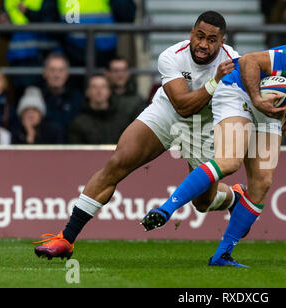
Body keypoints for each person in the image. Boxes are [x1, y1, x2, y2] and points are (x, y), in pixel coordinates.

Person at [141, 35, 286, 267]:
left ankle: (222, 255)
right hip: (238, 90)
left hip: (265, 102)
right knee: (229, 162)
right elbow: (249, 61)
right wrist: (256, 98)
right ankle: (165, 210)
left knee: (262, 183)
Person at [33, 11, 241, 260]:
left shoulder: (236, 63)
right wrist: (215, 82)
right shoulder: (172, 56)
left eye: (211, 39)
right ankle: (66, 239)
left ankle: (233, 196)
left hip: (204, 127)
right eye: (199, 36)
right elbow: (183, 107)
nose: (204, 44)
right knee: (117, 163)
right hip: (169, 113)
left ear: (222, 41)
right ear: (191, 34)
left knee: (203, 204)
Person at [67, 74, 142, 144]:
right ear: (87, 92)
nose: (99, 91)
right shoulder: (79, 123)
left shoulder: (122, 121)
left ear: (109, 92)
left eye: (103, 87)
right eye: (94, 87)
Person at [39, 53, 83, 143]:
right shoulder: (36, 98)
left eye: (61, 70)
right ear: (44, 73)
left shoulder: (77, 98)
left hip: (71, 150)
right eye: (52, 70)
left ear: (67, 74)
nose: (56, 75)